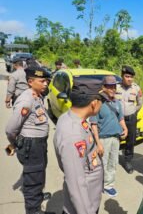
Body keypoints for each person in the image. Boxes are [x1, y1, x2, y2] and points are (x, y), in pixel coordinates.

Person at [5, 66, 53, 214]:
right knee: (33, 179)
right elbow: (10, 129)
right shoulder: (26, 100)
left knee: (38, 174)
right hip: (31, 145)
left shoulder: (36, 95)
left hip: (38, 144)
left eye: (46, 81)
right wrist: (14, 143)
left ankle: (37, 197)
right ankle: (34, 210)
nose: (46, 84)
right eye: (42, 81)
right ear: (30, 82)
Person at [53, 78, 104, 214]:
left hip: (89, 198)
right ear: (94, 103)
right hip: (83, 207)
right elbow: (75, 182)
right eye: (101, 101)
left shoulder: (72, 118)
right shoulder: (73, 134)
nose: (102, 104)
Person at [90, 75, 128, 197]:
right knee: (103, 163)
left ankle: (109, 185)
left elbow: (120, 118)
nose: (112, 89)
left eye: (114, 86)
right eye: (109, 87)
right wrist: (98, 143)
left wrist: (125, 128)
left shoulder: (117, 102)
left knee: (113, 162)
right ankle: (100, 184)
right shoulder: (98, 102)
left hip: (115, 138)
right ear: (103, 87)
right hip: (103, 138)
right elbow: (94, 124)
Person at [116, 65, 143, 174]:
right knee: (115, 138)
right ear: (122, 76)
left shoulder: (136, 88)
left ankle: (127, 161)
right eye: (127, 76)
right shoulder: (116, 87)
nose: (129, 79)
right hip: (117, 118)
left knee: (130, 141)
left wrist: (132, 112)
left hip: (131, 118)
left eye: (131, 77)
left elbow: (140, 103)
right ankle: (112, 160)